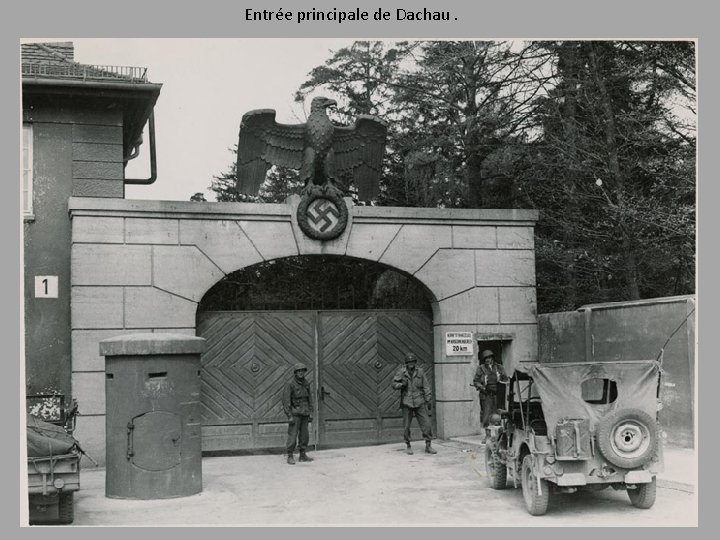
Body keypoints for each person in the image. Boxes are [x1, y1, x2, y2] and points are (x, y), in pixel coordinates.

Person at [391, 352, 437, 455]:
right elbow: (393, 384)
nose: (411, 364)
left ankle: (428, 445)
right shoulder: (401, 372)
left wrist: (428, 399)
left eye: (412, 362)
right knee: (406, 426)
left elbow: (426, 386)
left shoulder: (420, 372)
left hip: (419, 401)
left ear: (415, 362)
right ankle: (408, 445)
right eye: (409, 362)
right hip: (407, 402)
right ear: (406, 363)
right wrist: (401, 384)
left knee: (427, 424)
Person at [282, 363, 314, 465]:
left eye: (302, 371)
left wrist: (311, 412)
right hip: (295, 413)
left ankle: (302, 455)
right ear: (295, 373)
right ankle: (290, 455)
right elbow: (286, 401)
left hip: (305, 413)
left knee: (304, 435)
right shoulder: (290, 384)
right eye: (299, 371)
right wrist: (289, 415)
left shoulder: (306, 383)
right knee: (292, 435)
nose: (301, 373)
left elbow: (310, 399)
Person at [473, 350, 509, 430]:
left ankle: (499, 433)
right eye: (485, 358)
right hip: (486, 394)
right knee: (486, 414)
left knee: (499, 413)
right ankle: (487, 434)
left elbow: (505, 379)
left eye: (489, 357)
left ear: (492, 358)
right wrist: (482, 387)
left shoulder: (499, 367)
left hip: (498, 394)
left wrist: (501, 379)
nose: (487, 360)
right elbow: (476, 381)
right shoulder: (481, 368)